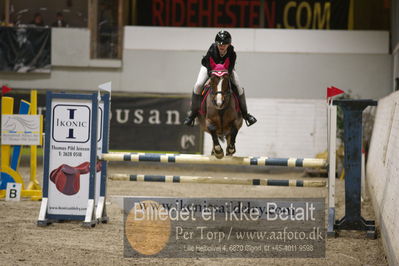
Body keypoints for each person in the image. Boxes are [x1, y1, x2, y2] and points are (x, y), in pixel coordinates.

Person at [183, 30, 257, 127]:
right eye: (220, 44)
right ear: (216, 43)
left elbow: (230, 68)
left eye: (225, 45)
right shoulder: (212, 50)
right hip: (209, 69)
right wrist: (212, 76)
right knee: (198, 85)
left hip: (226, 70)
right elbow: (209, 65)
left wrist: (225, 75)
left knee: (239, 86)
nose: (222, 46)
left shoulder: (232, 53)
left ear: (229, 45)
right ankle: (192, 115)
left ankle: (246, 114)